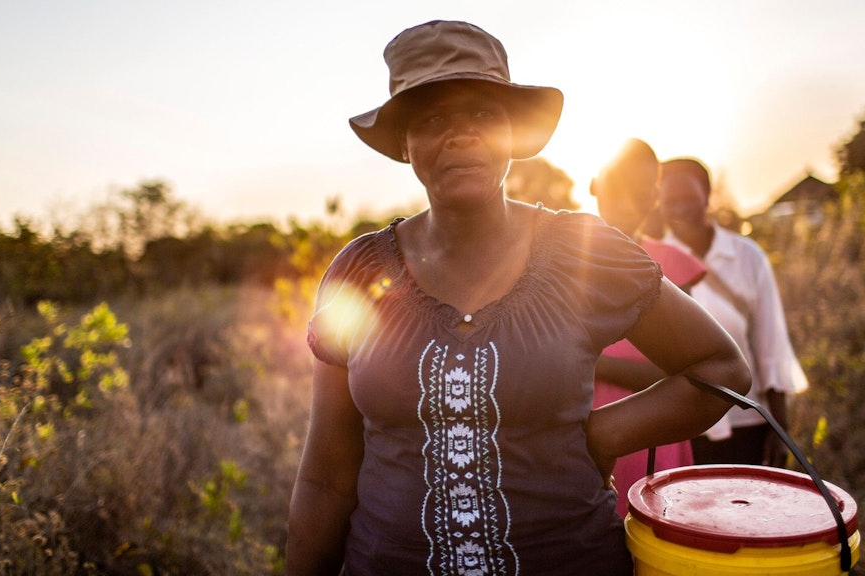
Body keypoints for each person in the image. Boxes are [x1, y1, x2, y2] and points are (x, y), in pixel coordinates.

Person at [286, 20, 751, 576]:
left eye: (483, 113)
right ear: (405, 144)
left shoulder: (585, 253)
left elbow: (721, 367)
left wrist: (607, 433)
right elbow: (325, 476)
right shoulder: (360, 273)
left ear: (512, 133)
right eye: (432, 118)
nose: (462, 135)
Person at [658, 157, 808, 468]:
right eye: (670, 201)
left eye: (688, 198)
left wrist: (780, 429)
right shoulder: (653, 263)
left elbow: (771, 344)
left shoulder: (748, 256)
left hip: (749, 422)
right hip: (685, 430)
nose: (680, 209)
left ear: (707, 196)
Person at [589, 139, 706, 518]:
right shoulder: (562, 261)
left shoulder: (671, 264)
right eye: (616, 186)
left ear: (654, 195)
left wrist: (593, 364)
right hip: (579, 438)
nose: (627, 200)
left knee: (653, 538)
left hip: (653, 435)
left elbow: (688, 370)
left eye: (640, 191)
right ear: (594, 186)